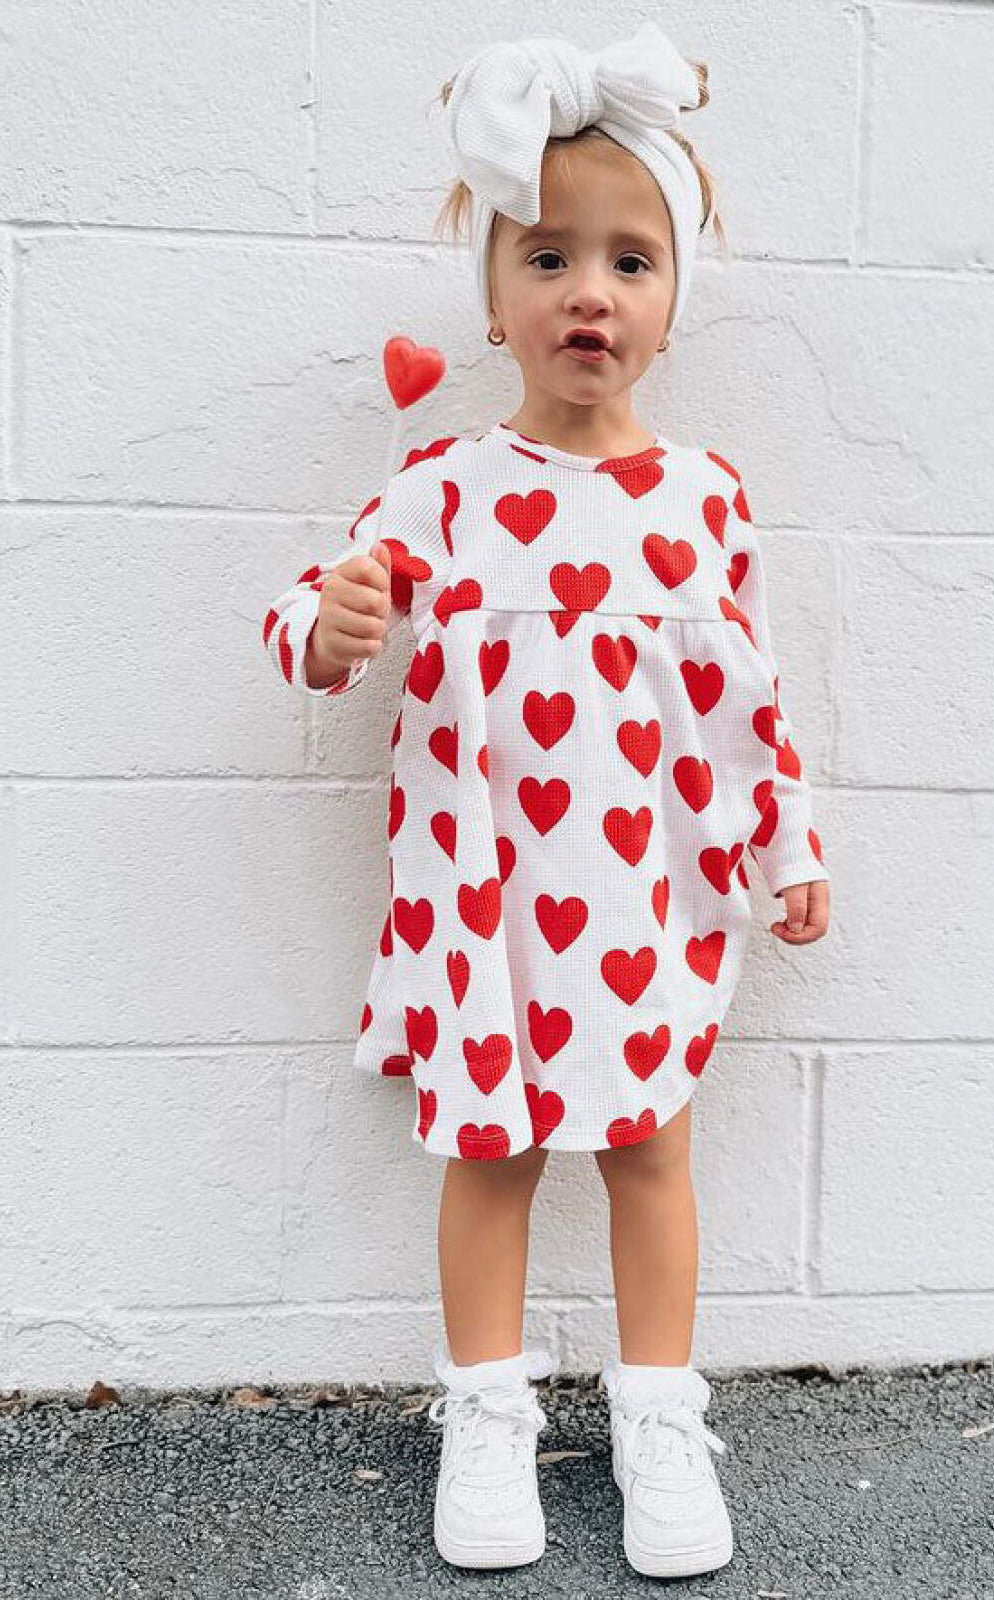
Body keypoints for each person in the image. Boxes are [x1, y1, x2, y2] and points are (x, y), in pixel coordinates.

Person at [261, 20, 830, 1581]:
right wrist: (328, 625)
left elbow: (745, 699)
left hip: (637, 891)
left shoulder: (702, 498)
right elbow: (311, 610)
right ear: (497, 291)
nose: (590, 289)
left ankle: (655, 1412)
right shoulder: (439, 487)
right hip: (483, 892)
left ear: (670, 300)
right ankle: (489, 1412)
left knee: (650, 1143)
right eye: (550, 255)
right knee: (492, 1150)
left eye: (632, 261)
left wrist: (779, 844)